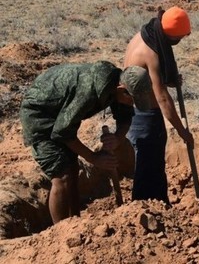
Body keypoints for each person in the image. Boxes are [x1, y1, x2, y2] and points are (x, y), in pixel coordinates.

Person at [20, 61, 154, 223]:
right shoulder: (90, 89)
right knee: (62, 175)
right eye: (132, 99)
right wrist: (94, 158)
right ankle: (60, 233)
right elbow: (62, 131)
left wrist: (117, 138)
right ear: (121, 89)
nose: (132, 104)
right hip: (40, 116)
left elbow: (125, 118)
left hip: (61, 116)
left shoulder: (117, 86)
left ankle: (75, 223)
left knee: (73, 169)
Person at [123, 6, 194, 204]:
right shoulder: (150, 53)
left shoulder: (144, 34)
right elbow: (162, 99)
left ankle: (159, 207)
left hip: (136, 111)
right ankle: (145, 214)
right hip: (145, 117)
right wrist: (182, 132)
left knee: (151, 167)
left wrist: (168, 78)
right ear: (171, 37)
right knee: (148, 169)